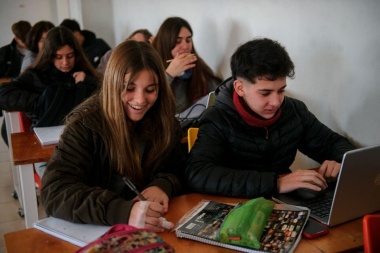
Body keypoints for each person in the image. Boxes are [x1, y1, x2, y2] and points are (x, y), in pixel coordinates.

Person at [41, 40, 187, 231]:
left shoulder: (166, 121)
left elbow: (181, 170)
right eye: (129, 88)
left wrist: (164, 184)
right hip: (98, 230)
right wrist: (124, 211)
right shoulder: (84, 125)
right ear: (113, 84)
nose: (140, 99)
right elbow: (55, 192)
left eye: (150, 89)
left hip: (148, 229)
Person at [186, 38, 356, 198]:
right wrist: (276, 182)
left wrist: (340, 162)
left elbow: (333, 143)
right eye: (265, 93)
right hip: (235, 209)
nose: (276, 102)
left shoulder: (294, 110)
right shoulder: (217, 118)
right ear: (240, 88)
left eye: (281, 90)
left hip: (284, 204)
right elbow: (198, 173)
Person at [0, 26, 101, 176]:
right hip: (48, 149)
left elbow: (109, 96)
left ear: (77, 54)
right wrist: (42, 102)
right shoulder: (36, 76)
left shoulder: (84, 73)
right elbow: (3, 93)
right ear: (49, 55)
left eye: (70, 56)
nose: (65, 62)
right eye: (58, 57)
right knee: (61, 183)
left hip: (84, 143)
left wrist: (89, 82)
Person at [152, 17, 222, 114]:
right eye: (177, 41)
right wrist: (169, 75)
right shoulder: (152, 66)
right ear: (165, 43)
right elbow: (149, 100)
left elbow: (217, 92)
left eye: (188, 40)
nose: (185, 46)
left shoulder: (197, 66)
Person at [0, 20, 31, 146]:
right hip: (14, 96)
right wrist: (15, 80)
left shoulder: (40, 49)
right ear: (16, 38)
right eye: (24, 40)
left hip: (33, 93)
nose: (27, 43)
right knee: (7, 131)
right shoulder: (3, 53)